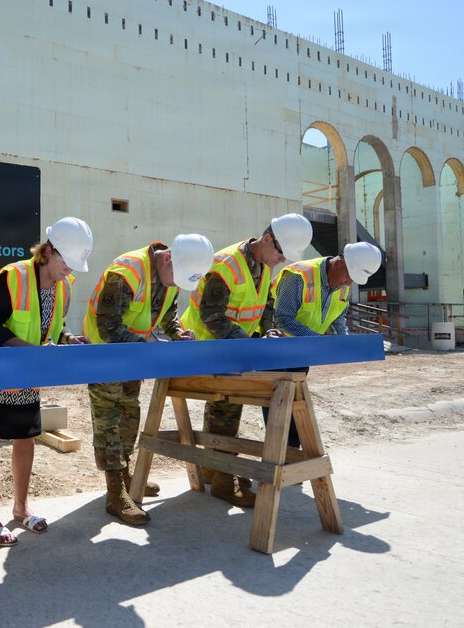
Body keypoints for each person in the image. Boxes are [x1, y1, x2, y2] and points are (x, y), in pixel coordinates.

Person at [0, 217, 94, 546]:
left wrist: (66, 338)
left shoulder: (66, 285)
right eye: (67, 262)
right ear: (48, 252)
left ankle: (21, 508)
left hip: (26, 375)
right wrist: (28, 352)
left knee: (26, 438)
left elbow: (52, 326)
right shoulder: (14, 276)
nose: (70, 271)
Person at [180, 213, 313, 508]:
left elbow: (265, 305)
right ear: (267, 239)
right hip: (206, 347)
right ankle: (222, 478)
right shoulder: (225, 266)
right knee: (225, 407)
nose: (281, 260)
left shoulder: (264, 266)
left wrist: (269, 330)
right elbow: (211, 316)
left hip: (235, 349)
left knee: (228, 407)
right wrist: (252, 344)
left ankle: (216, 467)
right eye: (280, 252)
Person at [83, 234, 216, 525]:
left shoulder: (172, 274)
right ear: (167, 258)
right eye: (174, 278)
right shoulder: (127, 272)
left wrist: (177, 332)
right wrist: (148, 348)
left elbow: (168, 314)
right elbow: (108, 326)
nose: (174, 285)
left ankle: (127, 476)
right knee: (109, 421)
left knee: (130, 415)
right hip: (105, 356)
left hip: (134, 357)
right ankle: (114, 492)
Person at [260, 242, 383, 446]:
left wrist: (342, 340)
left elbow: (338, 317)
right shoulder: (299, 277)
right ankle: (281, 455)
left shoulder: (344, 286)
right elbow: (283, 319)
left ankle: (292, 453)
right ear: (338, 263)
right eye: (347, 277)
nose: (348, 283)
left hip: (303, 351)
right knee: (278, 405)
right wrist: (318, 342)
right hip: (274, 350)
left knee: (294, 403)